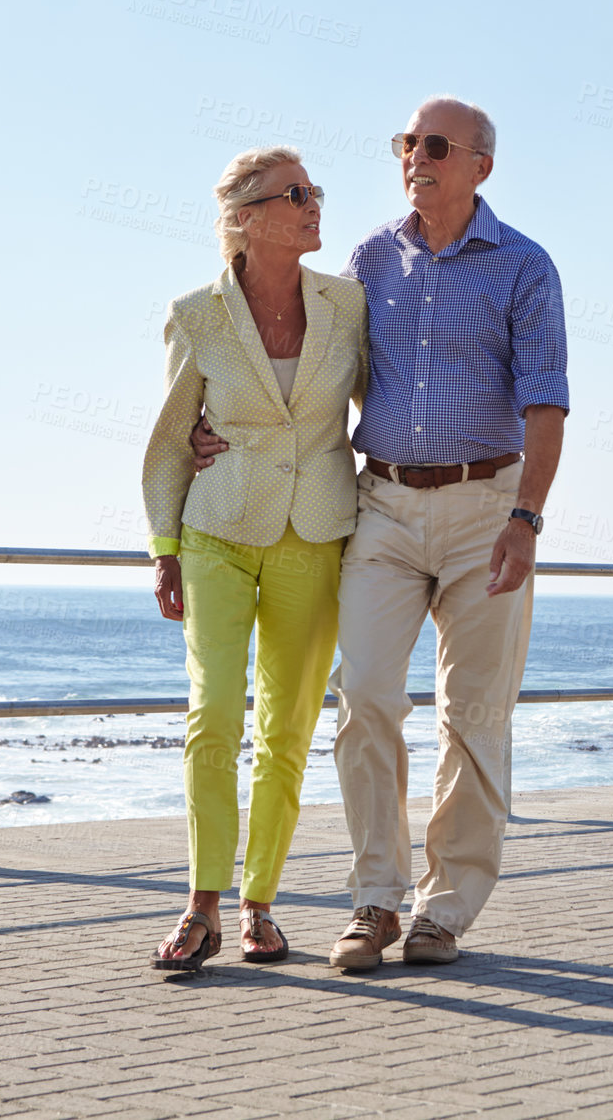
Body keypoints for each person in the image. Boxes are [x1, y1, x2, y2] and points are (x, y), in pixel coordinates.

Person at [192, 96, 568, 967]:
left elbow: (547, 403)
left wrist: (525, 518)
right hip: (385, 506)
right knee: (362, 698)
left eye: (434, 144)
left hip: (488, 509)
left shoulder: (525, 266)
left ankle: (446, 908)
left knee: (474, 716)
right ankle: (374, 899)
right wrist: (216, 431)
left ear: (481, 164)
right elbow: (312, 373)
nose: (414, 156)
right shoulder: (368, 260)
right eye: (406, 142)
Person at [141, 146, 367, 971]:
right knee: (214, 718)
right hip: (217, 533)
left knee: (288, 729)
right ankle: (201, 902)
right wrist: (164, 549)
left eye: (315, 192)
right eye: (295, 195)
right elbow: (171, 443)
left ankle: (259, 906)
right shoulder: (196, 313)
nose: (314, 206)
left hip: (316, 534)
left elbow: (382, 408)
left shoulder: (347, 304)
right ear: (246, 216)